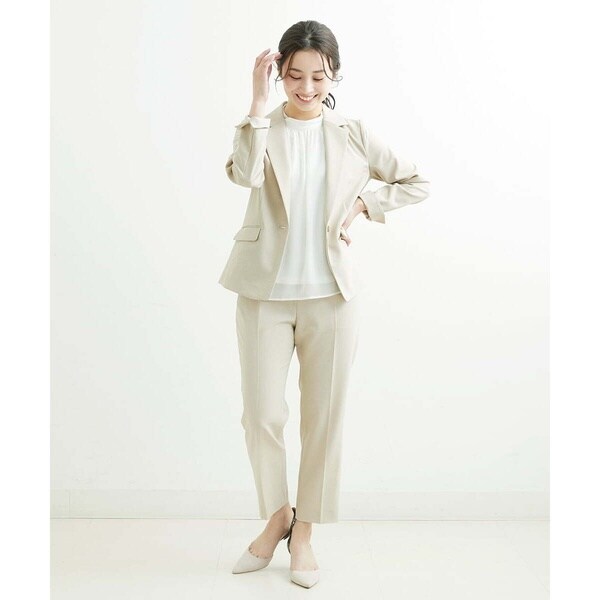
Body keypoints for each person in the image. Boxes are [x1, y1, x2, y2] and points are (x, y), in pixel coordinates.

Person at [220, 20, 430, 588]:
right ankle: (277, 517)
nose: (307, 87)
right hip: (264, 294)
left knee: (323, 420)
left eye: (318, 76)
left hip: (332, 298)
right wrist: (256, 105)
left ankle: (305, 533)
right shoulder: (263, 126)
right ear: (279, 73)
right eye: (295, 75)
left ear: (334, 74)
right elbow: (244, 175)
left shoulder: (353, 133)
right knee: (261, 415)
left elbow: (415, 181)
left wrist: (364, 204)